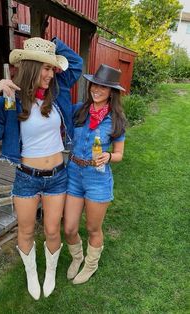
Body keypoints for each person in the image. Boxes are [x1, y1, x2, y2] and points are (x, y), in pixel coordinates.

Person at [0, 37, 83, 299]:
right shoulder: (11, 100)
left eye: (52, 68)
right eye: (45, 68)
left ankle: (50, 273)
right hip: (26, 179)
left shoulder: (59, 89)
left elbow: (75, 63)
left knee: (53, 229)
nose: (51, 74)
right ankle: (32, 273)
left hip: (57, 176)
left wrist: (52, 44)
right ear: (31, 67)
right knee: (27, 230)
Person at [63, 64, 126, 284]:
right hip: (73, 172)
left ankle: (91, 264)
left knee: (92, 227)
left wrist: (108, 156)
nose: (96, 89)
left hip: (97, 178)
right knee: (69, 227)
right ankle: (77, 257)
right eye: (95, 84)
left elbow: (119, 154)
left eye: (103, 87)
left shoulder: (116, 119)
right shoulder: (79, 110)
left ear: (112, 92)